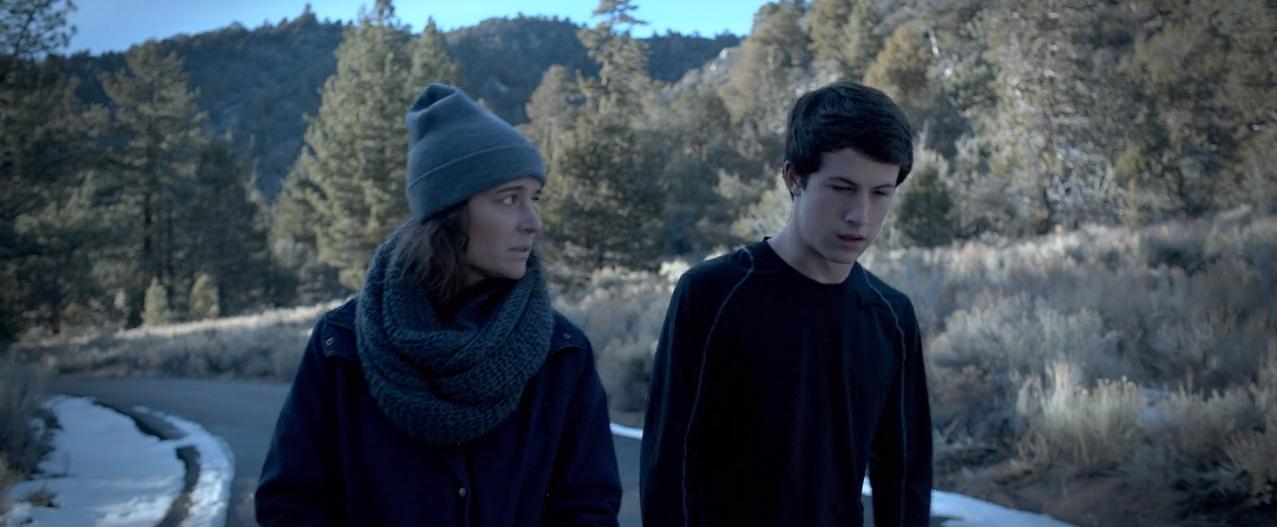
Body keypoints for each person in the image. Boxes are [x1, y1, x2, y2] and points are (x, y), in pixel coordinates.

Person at [256, 83, 622, 526]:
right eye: (509, 199)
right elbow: (291, 504)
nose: (533, 223)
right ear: (450, 212)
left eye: (535, 199)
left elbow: (588, 509)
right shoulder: (344, 345)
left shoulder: (560, 354)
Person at [640, 82, 932, 526]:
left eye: (880, 192)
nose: (860, 215)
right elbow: (668, 463)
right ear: (794, 178)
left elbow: (905, 475)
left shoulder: (890, 316)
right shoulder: (713, 294)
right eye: (842, 187)